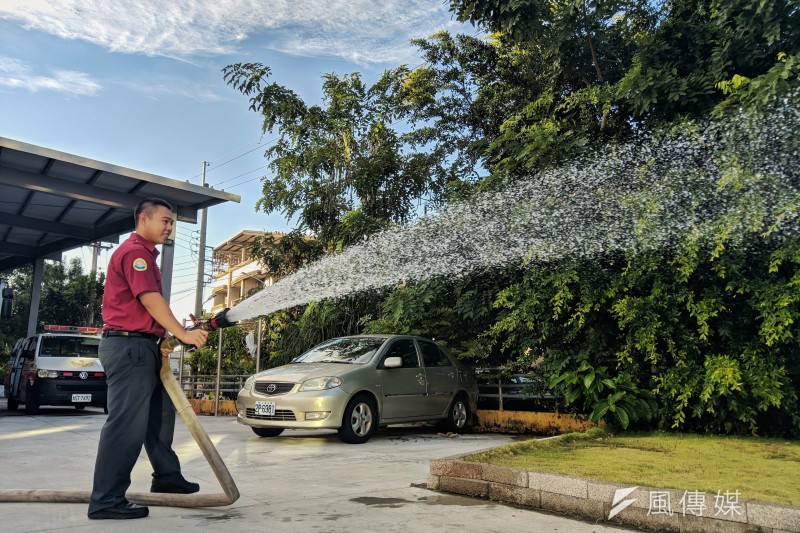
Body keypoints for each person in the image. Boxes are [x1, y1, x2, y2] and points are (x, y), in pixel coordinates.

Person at [88, 198, 209, 520]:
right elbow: (150, 299)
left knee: (160, 417)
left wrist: (176, 332)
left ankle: (167, 479)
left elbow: (150, 310)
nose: (169, 227)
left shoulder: (146, 257)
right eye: (165, 221)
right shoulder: (135, 254)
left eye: (172, 223)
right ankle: (106, 499)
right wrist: (182, 334)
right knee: (126, 425)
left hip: (144, 347)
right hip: (130, 348)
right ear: (144, 219)